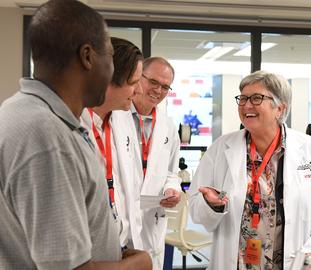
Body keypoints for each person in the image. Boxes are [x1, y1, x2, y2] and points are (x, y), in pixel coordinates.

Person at [0, 0, 151, 269]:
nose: (112, 71)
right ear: (88, 56)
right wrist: (139, 264)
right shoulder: (46, 136)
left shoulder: (25, 111)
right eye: (109, 56)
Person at [188, 70, 311, 270]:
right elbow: (195, 206)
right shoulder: (220, 149)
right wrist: (212, 205)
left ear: (279, 108)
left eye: (256, 98)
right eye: (243, 98)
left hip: (291, 264)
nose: (246, 105)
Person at [112, 57, 182, 270]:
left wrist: (173, 188)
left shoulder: (168, 126)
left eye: (165, 86)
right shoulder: (115, 116)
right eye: (153, 82)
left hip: (152, 218)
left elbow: (172, 172)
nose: (158, 90)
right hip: (120, 218)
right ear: (138, 77)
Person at [81, 37, 144, 250]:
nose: (139, 92)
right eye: (133, 83)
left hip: (122, 245)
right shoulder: (72, 126)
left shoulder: (122, 120)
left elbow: (130, 190)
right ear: (107, 79)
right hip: (88, 253)